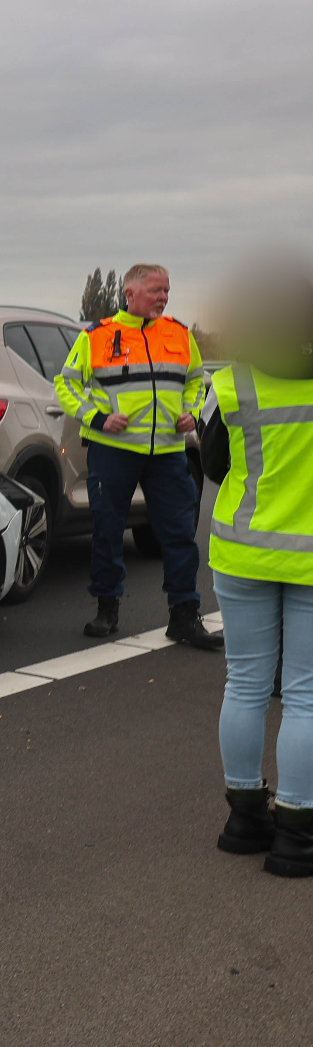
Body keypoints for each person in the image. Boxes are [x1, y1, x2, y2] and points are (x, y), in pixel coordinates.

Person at [201, 261, 313, 875]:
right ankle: (297, 834)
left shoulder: (233, 380)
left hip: (242, 551)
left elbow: (214, 466)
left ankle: (244, 818)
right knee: (305, 697)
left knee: (244, 685)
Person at [55, 263, 224, 648]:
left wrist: (191, 411)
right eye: (155, 291)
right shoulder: (97, 336)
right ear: (130, 294)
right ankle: (106, 610)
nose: (163, 298)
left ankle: (184, 616)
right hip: (113, 452)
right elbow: (66, 384)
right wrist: (97, 418)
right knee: (108, 531)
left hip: (166, 452)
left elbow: (198, 380)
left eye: (166, 291)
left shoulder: (180, 334)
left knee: (180, 534)